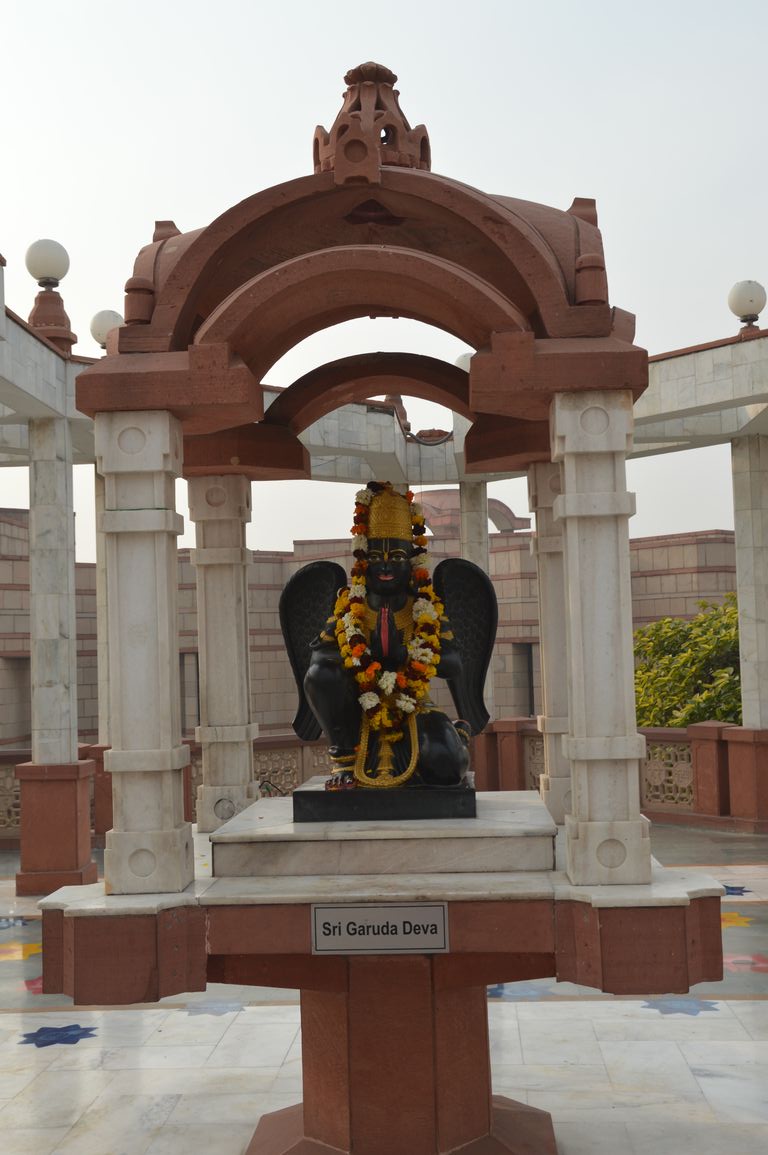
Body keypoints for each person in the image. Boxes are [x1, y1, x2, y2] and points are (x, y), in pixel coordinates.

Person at [304, 482, 471, 789]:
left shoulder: (425, 608)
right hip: (358, 709)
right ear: (362, 561)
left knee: (446, 770)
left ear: (412, 562)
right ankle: (344, 762)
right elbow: (320, 661)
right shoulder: (349, 607)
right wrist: (362, 658)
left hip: (414, 706)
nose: (384, 565)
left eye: (396, 557)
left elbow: (454, 664)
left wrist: (407, 655)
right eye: (375, 556)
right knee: (320, 674)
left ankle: (457, 735)